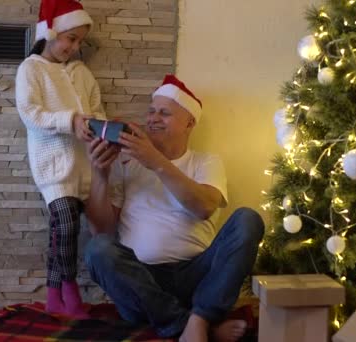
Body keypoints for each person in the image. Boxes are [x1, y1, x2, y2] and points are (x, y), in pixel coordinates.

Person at [84, 74, 265, 342]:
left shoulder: (206, 162)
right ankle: (194, 326)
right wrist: (99, 174)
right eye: (151, 111)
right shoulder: (125, 164)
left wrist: (156, 162)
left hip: (197, 277)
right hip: (142, 282)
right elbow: (102, 229)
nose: (153, 118)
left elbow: (203, 207)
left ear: (189, 122)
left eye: (165, 113)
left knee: (248, 219)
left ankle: (200, 316)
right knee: (97, 249)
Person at [15, 0, 105, 319]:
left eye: (80, 41)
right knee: (65, 225)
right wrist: (70, 120)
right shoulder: (32, 68)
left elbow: (96, 111)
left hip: (85, 168)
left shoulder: (82, 73)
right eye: (71, 38)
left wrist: (101, 128)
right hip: (53, 165)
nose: (75, 47)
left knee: (66, 229)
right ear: (51, 32)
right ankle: (69, 291)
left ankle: (54, 296)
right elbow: (30, 113)